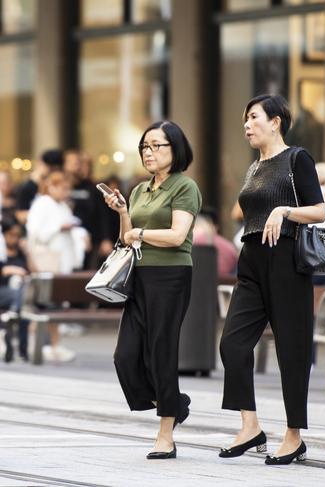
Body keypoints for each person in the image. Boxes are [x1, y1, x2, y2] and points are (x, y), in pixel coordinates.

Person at [218, 94, 325, 466]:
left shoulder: (297, 159)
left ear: (276, 121)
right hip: (251, 260)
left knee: (291, 351)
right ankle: (250, 426)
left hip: (287, 260)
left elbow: (320, 211)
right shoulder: (253, 168)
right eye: (245, 119)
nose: (247, 125)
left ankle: (294, 436)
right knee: (232, 344)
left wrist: (284, 210)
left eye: (253, 117)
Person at [104, 120, 202, 460]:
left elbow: (177, 236)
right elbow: (125, 237)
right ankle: (173, 403)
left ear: (175, 149)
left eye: (157, 146)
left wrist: (140, 234)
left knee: (161, 352)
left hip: (170, 276)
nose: (149, 152)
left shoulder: (184, 187)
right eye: (145, 146)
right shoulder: (139, 190)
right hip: (140, 277)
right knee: (126, 356)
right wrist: (122, 213)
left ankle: (166, 434)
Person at [26, 170, 89, 363]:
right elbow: (34, 232)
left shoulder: (62, 205)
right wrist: (59, 227)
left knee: (55, 305)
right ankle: (44, 345)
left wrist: (81, 234)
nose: (66, 192)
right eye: (63, 188)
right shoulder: (42, 203)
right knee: (47, 305)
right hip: (47, 261)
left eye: (67, 188)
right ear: (51, 186)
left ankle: (51, 345)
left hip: (61, 261)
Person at [0, 218, 30, 363]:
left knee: (23, 315)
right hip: (3, 292)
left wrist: (28, 252)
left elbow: (32, 271)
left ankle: (22, 353)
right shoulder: (1, 250)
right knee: (17, 292)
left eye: (17, 235)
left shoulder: (20, 253)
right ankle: (13, 312)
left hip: (18, 296)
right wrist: (8, 270)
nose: (14, 238)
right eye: (11, 234)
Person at [15, 149, 62, 225]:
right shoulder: (27, 187)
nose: (53, 173)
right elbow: (20, 215)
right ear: (40, 164)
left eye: (56, 169)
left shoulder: (57, 186)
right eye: (51, 169)